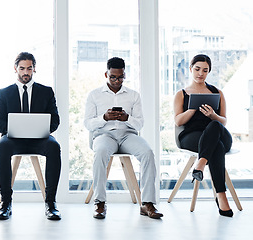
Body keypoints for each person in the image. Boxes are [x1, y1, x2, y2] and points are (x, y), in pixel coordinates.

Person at [84, 57, 163, 219]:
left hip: (128, 135)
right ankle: (100, 202)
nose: (116, 80)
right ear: (106, 74)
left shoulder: (133, 95)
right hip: (104, 135)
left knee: (148, 152)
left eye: (120, 77)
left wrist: (127, 118)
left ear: (124, 75)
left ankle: (147, 203)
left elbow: (140, 124)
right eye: (113, 77)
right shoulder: (94, 95)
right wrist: (104, 118)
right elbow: (88, 123)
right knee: (100, 152)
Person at [0, 52, 62, 220]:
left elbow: (55, 120)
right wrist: (14, 127)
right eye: (22, 68)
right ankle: (5, 203)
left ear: (34, 69)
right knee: (2, 146)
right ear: (15, 68)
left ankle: (51, 203)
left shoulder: (46, 92)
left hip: (40, 139)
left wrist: (42, 128)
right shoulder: (4, 93)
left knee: (54, 147)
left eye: (29, 68)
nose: (26, 72)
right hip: (13, 140)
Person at [173, 54, 233, 217]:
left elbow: (223, 121)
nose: (201, 73)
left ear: (209, 72)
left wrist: (213, 115)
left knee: (214, 126)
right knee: (216, 147)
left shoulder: (217, 92)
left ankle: (200, 164)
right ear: (191, 69)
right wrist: (192, 109)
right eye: (197, 69)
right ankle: (221, 196)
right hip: (192, 136)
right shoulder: (182, 94)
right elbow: (178, 121)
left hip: (216, 132)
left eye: (205, 70)